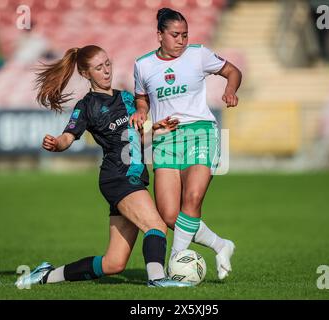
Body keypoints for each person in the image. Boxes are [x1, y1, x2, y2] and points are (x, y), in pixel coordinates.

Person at [15, 45, 191, 288]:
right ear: (86, 74)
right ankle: (157, 279)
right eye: (99, 67)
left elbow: (134, 137)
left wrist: (158, 129)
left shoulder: (127, 97)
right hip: (118, 178)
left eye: (108, 63)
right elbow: (68, 136)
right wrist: (57, 143)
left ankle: (46, 275)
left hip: (135, 178)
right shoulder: (86, 106)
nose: (106, 70)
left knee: (113, 264)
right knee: (156, 225)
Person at [131, 8, 242, 280]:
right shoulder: (143, 65)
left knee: (192, 199)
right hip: (165, 137)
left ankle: (174, 265)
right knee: (169, 216)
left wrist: (230, 90)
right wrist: (142, 111)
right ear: (159, 35)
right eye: (175, 35)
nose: (181, 40)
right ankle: (221, 245)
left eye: (185, 35)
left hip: (200, 132)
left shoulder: (198, 55)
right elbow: (141, 98)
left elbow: (232, 71)